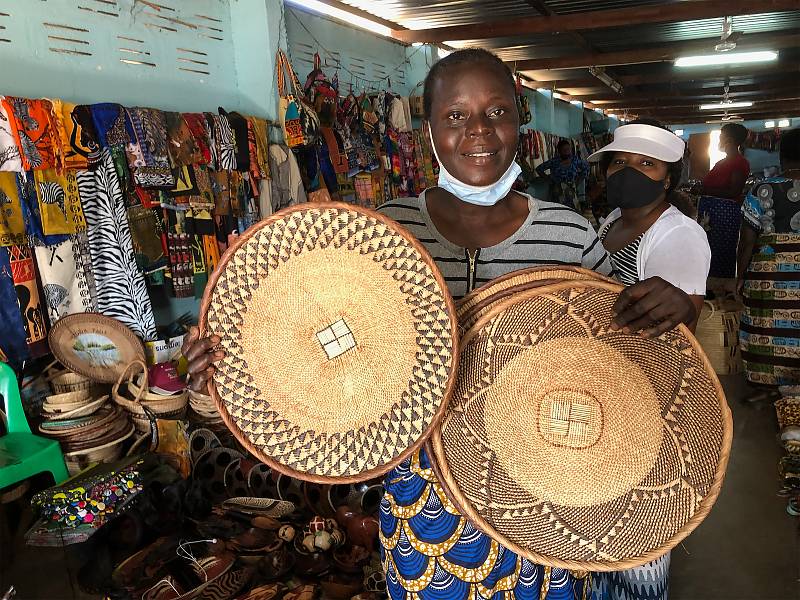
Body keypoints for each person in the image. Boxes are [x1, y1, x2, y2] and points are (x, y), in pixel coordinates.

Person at [182, 49, 700, 599]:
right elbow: (312, 356)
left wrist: (681, 308)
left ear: (519, 120)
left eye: (497, 112)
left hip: (546, 491)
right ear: (427, 127)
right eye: (455, 116)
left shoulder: (569, 234)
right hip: (422, 502)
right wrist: (225, 371)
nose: (479, 132)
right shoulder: (378, 234)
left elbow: (615, 355)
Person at [589, 119, 711, 600]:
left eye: (646, 164)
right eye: (619, 162)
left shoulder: (677, 235)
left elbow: (679, 339)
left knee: (634, 528)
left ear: (668, 178)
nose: (629, 171)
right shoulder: (610, 224)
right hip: (600, 385)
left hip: (648, 397)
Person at [736, 127, 800, 388]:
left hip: (769, 273)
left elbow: (747, 240)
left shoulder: (761, 190)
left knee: (765, 322)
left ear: (782, 158)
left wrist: (739, 277)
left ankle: (766, 379)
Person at [698, 123, 751, 279]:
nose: (719, 140)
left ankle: (720, 290)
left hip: (724, 215)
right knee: (708, 251)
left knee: (721, 252)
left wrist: (704, 191)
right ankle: (708, 289)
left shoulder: (739, 162)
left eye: (720, 137)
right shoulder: (722, 162)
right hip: (711, 214)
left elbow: (733, 191)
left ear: (729, 139)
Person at [536, 138, 590, 211]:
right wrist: (548, 179)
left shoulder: (575, 160)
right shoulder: (554, 161)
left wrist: (578, 180)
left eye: (568, 149)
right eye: (564, 150)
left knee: (573, 213)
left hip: (572, 192)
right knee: (559, 212)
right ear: (559, 151)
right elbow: (539, 169)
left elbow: (586, 168)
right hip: (557, 193)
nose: (567, 152)